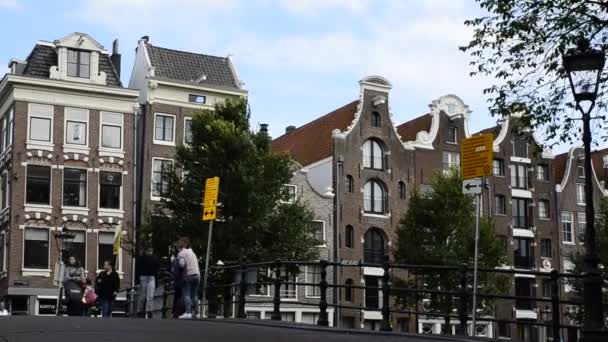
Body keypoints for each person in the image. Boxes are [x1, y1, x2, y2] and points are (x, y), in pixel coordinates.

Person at [177, 237, 200, 319]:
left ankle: (188, 312)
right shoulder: (192, 252)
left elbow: (182, 265)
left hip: (188, 275)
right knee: (194, 295)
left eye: (180, 242)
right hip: (197, 274)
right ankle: (197, 313)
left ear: (184, 243)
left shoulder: (182, 253)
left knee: (186, 294)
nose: (178, 243)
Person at [136, 247, 159, 318]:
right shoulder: (143, 258)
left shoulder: (151, 258)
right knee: (144, 296)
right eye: (148, 251)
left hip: (150, 277)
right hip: (145, 277)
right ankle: (142, 311)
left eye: (150, 251)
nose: (149, 252)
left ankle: (148, 311)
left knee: (149, 296)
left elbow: (157, 269)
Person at [170, 245, 185, 318]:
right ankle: (179, 312)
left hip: (178, 281)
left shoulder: (176, 260)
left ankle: (175, 312)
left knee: (177, 296)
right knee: (181, 296)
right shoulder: (179, 260)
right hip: (181, 281)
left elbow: (174, 272)